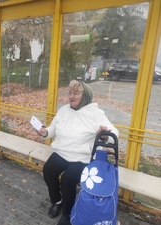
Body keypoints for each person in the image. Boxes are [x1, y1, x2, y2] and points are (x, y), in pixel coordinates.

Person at [37, 79, 119, 225]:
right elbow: (52, 129)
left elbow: (114, 133)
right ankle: (58, 201)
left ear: (85, 96)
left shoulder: (95, 113)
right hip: (62, 152)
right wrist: (45, 132)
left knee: (68, 180)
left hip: (83, 157)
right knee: (48, 170)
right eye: (70, 93)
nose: (71, 97)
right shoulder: (64, 110)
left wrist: (105, 135)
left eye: (76, 93)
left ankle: (67, 214)